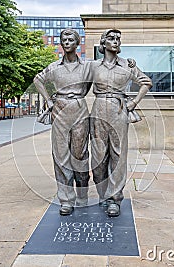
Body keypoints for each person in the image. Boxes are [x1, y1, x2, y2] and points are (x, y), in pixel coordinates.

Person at [89, 29, 152, 217]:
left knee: (118, 155)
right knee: (98, 158)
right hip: (98, 109)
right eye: (111, 38)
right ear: (103, 43)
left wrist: (133, 102)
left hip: (119, 110)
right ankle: (103, 192)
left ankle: (115, 198)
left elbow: (146, 82)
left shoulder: (128, 65)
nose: (115, 41)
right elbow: (79, 85)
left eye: (118, 39)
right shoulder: (92, 66)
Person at [34, 29, 91, 216]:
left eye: (70, 39)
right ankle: (66, 199)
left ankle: (82, 192)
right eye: (63, 39)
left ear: (77, 43)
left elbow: (107, 69)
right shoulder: (54, 67)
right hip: (60, 110)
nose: (66, 42)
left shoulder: (87, 67)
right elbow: (38, 80)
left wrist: (129, 63)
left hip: (79, 110)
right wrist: (48, 101)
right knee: (60, 156)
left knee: (80, 155)